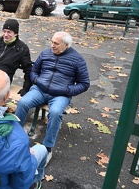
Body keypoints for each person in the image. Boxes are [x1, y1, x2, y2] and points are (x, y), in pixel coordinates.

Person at [15, 31, 90, 165]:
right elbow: (34, 70)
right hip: (40, 89)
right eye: (52, 42)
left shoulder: (77, 60)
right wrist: (36, 80)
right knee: (23, 102)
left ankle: (47, 148)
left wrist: (67, 90)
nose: (52, 45)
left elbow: (84, 84)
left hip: (60, 94)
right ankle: (13, 135)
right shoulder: (45, 53)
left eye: (56, 43)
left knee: (55, 113)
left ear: (66, 45)